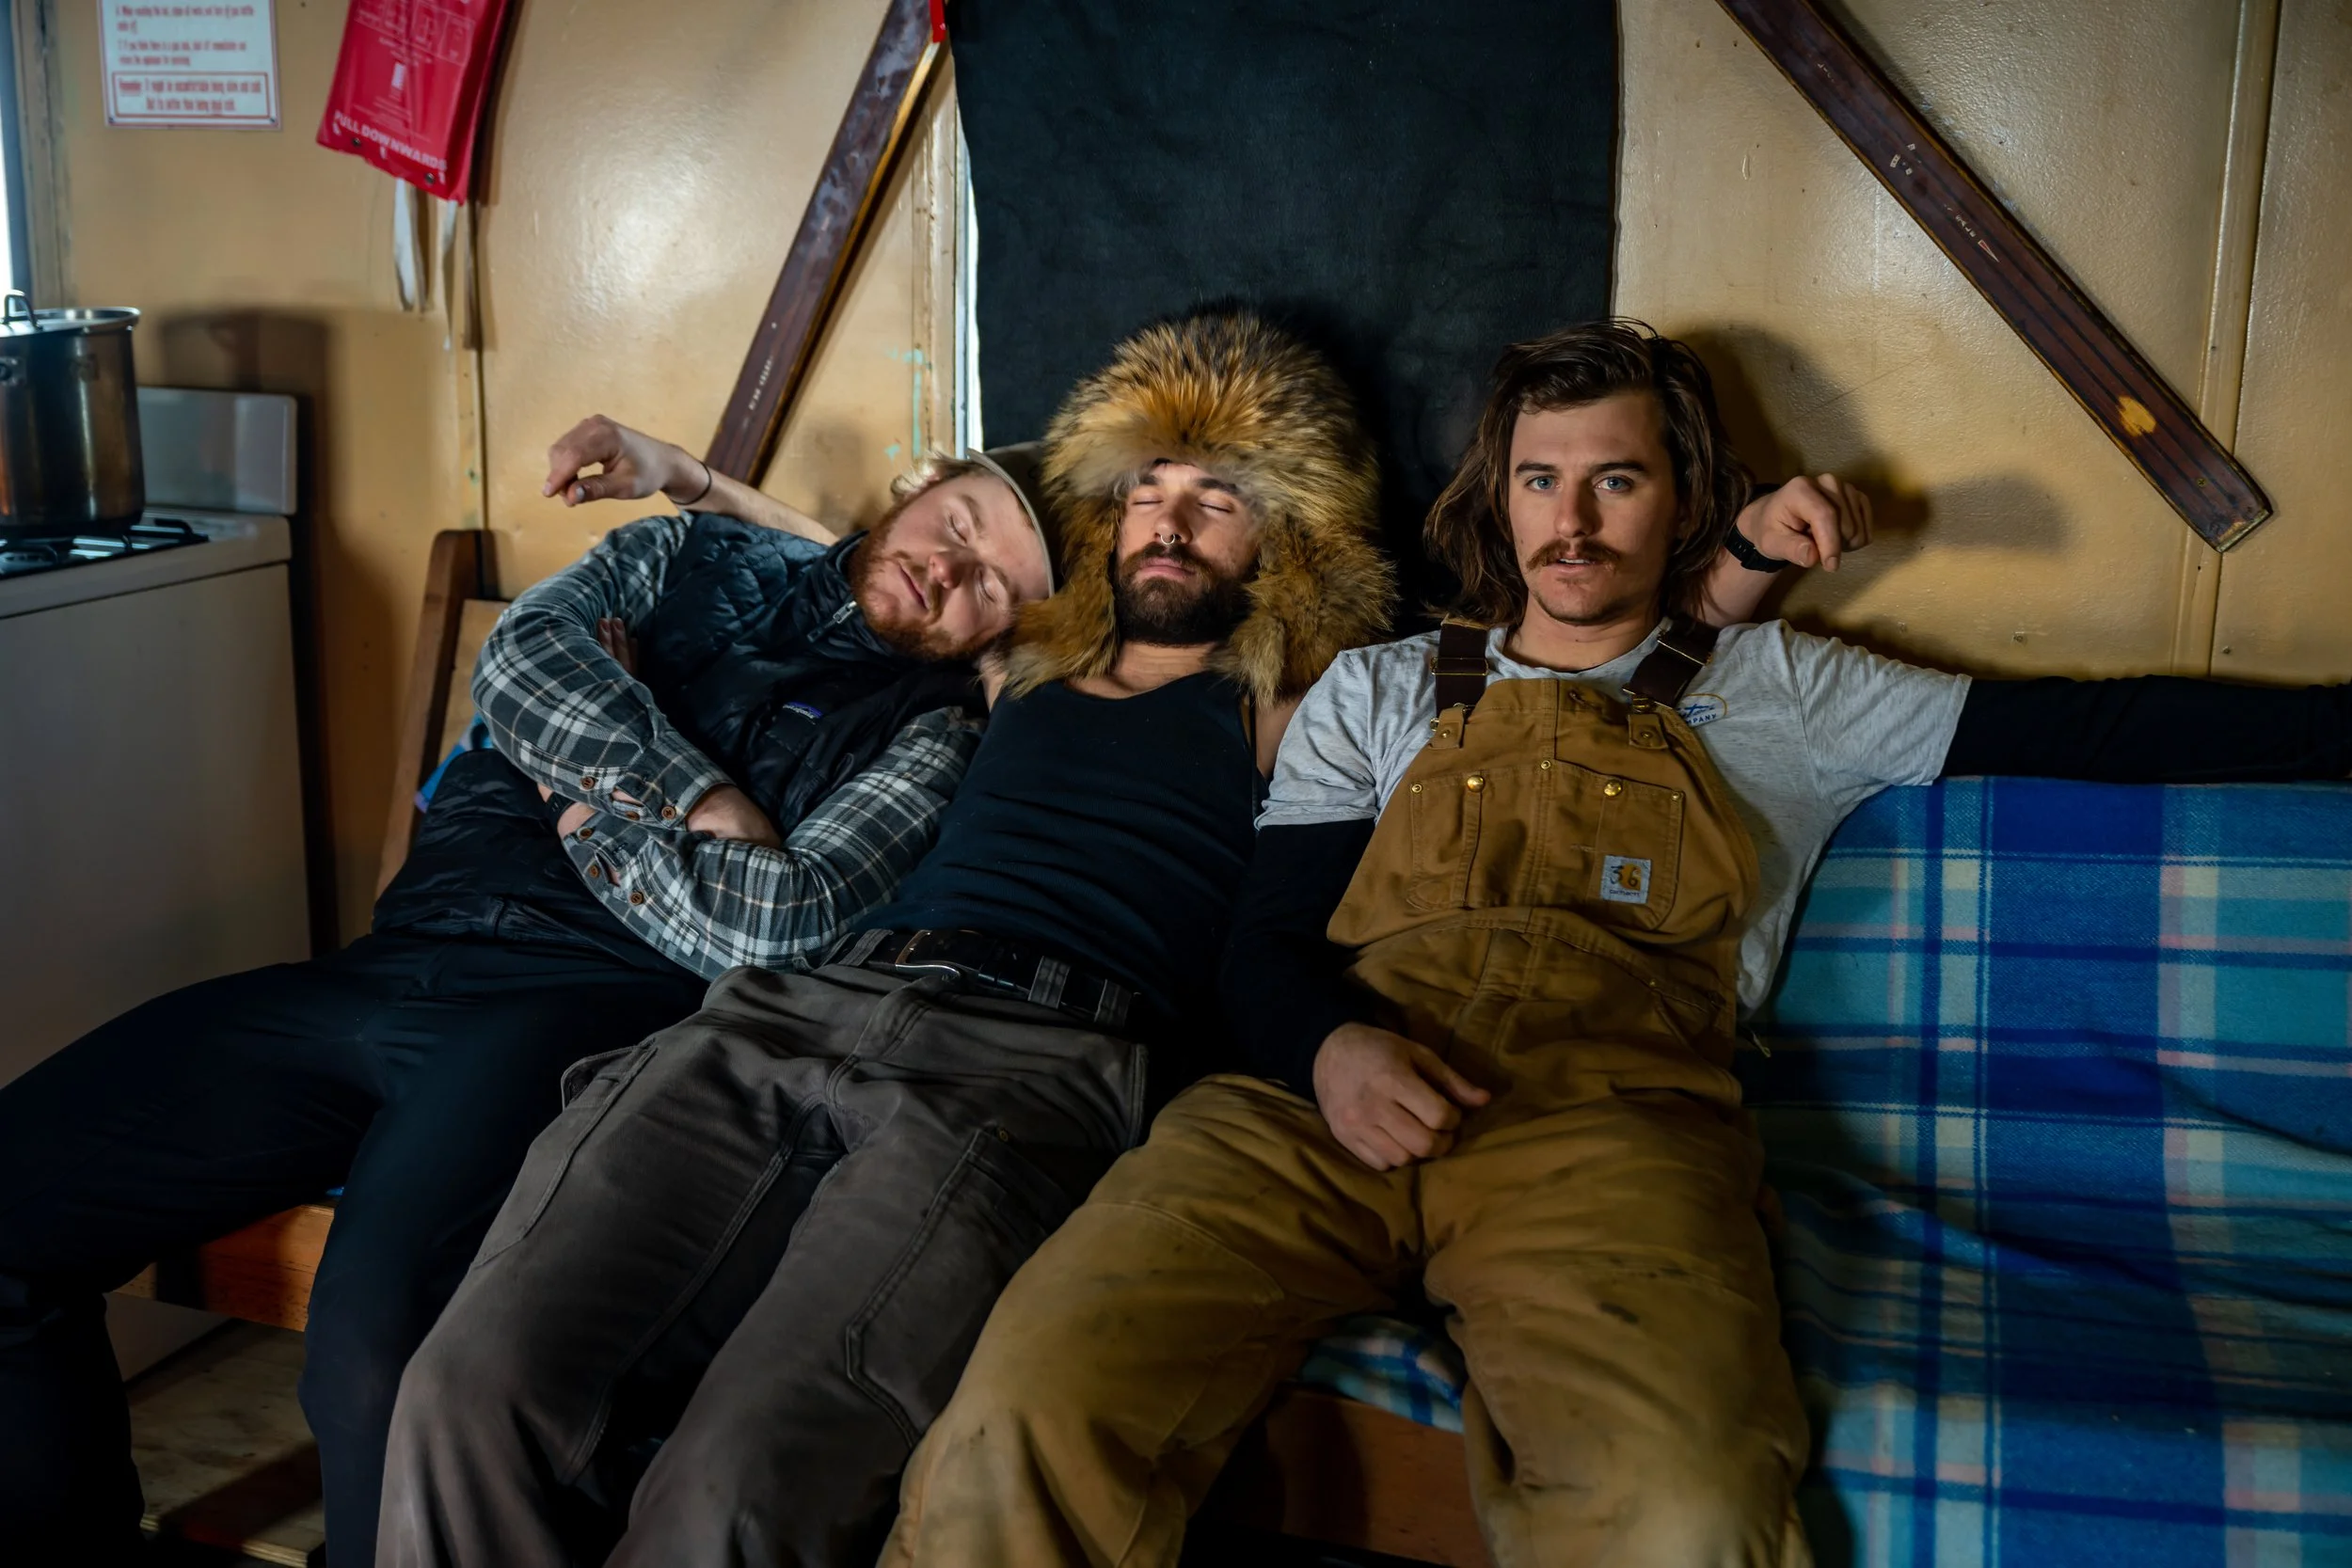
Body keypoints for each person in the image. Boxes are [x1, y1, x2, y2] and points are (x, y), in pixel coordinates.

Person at [374, 309, 1877, 1568]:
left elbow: (1569, 632)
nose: (1170, 516)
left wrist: (1739, 565)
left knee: (740, 1474)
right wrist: (691, 477)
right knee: (466, 1384)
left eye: (1218, 498)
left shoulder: (1306, 697)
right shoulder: (1023, 665)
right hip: (797, 1001)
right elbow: (888, 556)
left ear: (1286, 540)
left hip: (1038, 1056)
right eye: (1150, 490)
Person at [882, 320, 2352, 1568]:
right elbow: (1264, 946)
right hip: (1315, 1114)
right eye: (1540, 479)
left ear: (1685, 496)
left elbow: (2106, 726)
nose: (1570, 522)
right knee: (1023, 1418)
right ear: (1500, 493)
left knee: (1684, 1507)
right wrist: (1329, 1049)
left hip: (1606, 1133)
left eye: (1617, 479)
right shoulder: (1378, 688)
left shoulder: (1793, 691)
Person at [0, 420, 1055, 1567]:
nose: (946, 570)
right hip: (390, 961)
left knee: (375, 1351)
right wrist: (703, 803)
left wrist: (571, 786)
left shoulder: (933, 734)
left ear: (1012, 630)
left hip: (581, 1016)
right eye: (956, 525)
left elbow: (770, 925)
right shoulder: (688, 555)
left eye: (992, 585)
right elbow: (522, 662)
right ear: (924, 489)